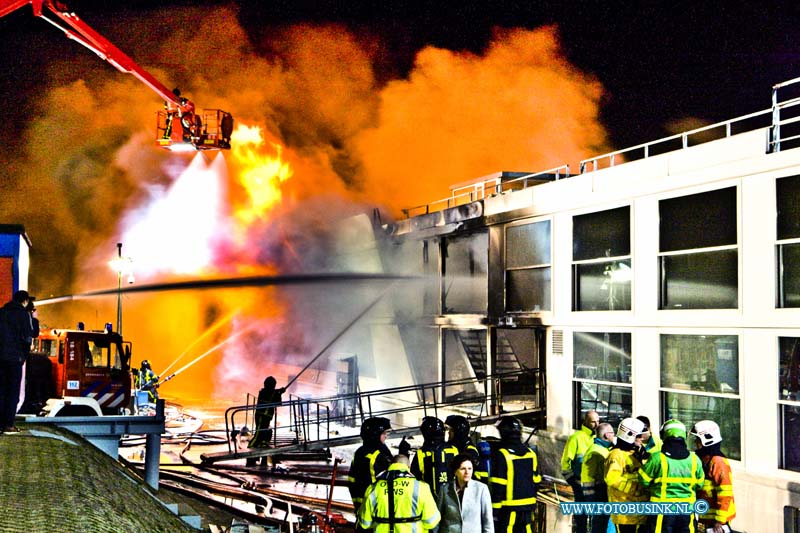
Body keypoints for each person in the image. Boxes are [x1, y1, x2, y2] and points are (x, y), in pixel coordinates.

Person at [638, 419, 704, 533]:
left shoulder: (656, 458)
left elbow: (643, 481)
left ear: (664, 435)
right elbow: (700, 484)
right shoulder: (695, 460)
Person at [358, 455, 441, 533]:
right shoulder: (421, 487)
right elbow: (431, 522)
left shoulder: (373, 488)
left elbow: (365, 523)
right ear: (408, 468)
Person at [488, 416, 541, 533]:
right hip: (528, 508)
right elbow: (536, 481)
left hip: (509, 509)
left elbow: (498, 485)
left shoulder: (502, 454)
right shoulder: (531, 453)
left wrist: (494, 511)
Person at [691, 420, 736, 533]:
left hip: (717, 522)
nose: (696, 442)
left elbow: (725, 493)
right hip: (705, 518)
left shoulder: (718, 462)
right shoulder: (704, 459)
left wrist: (719, 521)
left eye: (698, 440)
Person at [604, 417, 648, 532]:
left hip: (639, 511)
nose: (642, 438)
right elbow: (612, 479)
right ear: (629, 435)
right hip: (625, 514)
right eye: (638, 436)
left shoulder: (636, 454)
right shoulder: (615, 455)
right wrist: (634, 487)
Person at [0, 290, 34, 434]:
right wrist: (23, 356)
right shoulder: (23, 315)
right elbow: (27, 338)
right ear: (25, 301)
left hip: (0, 358)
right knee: (12, 391)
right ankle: (8, 424)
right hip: (15, 359)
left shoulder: (2, 312)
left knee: (1, 390)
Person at [348, 416, 394, 520]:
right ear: (375, 435)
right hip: (377, 509)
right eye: (384, 433)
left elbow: (352, 481)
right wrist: (404, 454)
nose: (386, 436)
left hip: (362, 508)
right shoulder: (379, 455)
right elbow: (394, 476)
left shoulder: (360, 452)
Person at [561, 410, 599, 533]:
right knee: (581, 515)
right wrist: (572, 480)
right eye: (593, 422)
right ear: (586, 422)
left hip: (595, 483)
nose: (597, 425)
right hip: (580, 482)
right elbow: (565, 462)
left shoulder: (597, 438)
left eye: (598, 421)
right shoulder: (576, 438)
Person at [435, 453, 494, 533]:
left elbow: (488, 521)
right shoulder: (445, 489)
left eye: (470, 468)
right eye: (463, 469)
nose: (467, 472)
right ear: (455, 471)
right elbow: (437, 518)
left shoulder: (481, 489)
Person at [411, 416, 459, 497]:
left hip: (428, 499)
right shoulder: (453, 450)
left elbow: (415, 478)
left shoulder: (421, 453)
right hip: (451, 497)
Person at [580, 422, 615, 533]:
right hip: (598, 495)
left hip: (600, 493)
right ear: (606, 435)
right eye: (612, 433)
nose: (614, 436)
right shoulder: (596, 452)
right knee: (599, 525)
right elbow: (589, 478)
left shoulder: (602, 449)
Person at [444, 414, 488, 482]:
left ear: (458, 432)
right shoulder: (454, 447)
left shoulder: (470, 451)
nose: (448, 433)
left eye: (451, 430)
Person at [249, 376, 286, 448]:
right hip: (262, 416)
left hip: (266, 416)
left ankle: (262, 444)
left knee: (264, 432)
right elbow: (278, 402)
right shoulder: (265, 392)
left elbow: (274, 397)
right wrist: (279, 393)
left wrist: (279, 392)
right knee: (258, 434)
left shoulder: (265, 391)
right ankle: (251, 447)